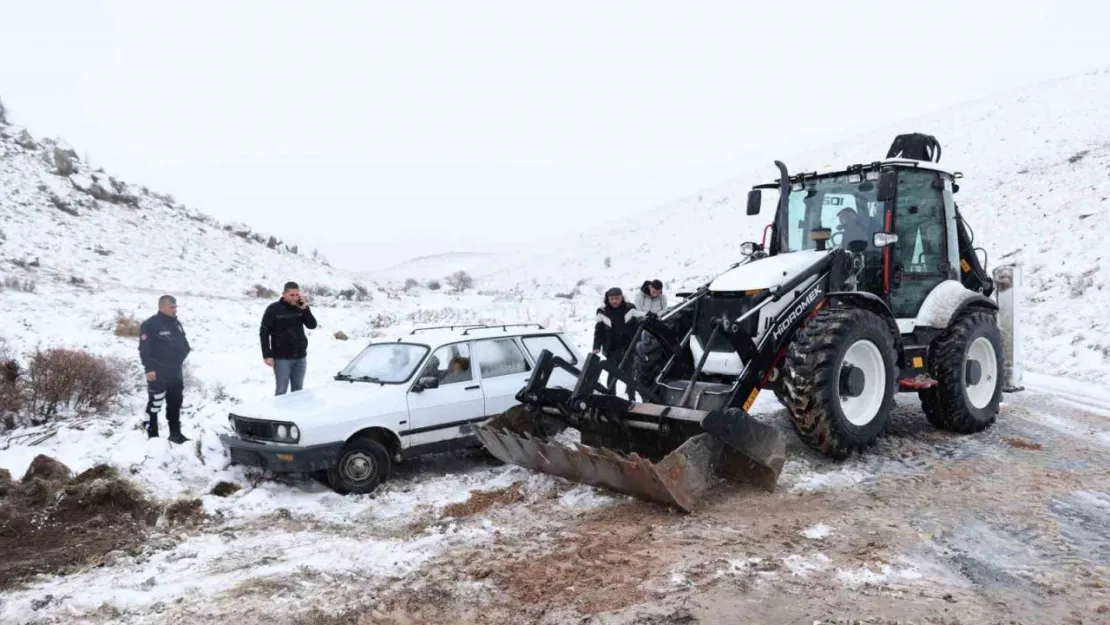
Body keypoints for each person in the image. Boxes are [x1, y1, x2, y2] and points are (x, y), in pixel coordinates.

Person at [138, 295, 191, 443]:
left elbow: (183, 344)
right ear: (162, 307)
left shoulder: (176, 323)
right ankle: (152, 436)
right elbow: (144, 349)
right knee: (155, 404)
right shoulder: (150, 324)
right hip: (158, 372)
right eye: (171, 307)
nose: (174, 310)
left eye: (175, 307)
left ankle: (175, 434)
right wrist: (149, 369)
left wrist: (180, 357)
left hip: (175, 372)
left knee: (175, 404)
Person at [260, 281, 319, 395]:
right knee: (281, 391)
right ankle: (277, 413)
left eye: (297, 294)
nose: (295, 298)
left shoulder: (300, 308)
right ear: (284, 294)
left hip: (300, 356)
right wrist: (267, 355)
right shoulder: (273, 309)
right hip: (282, 358)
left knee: (298, 392)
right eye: (292, 295)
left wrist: (305, 309)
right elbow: (264, 332)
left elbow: (312, 325)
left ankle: (296, 412)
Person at [592, 287, 639, 400]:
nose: (614, 301)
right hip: (611, 349)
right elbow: (599, 330)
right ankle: (611, 396)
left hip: (628, 347)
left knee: (630, 373)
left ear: (621, 297)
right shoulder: (602, 311)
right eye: (612, 299)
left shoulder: (630, 308)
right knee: (612, 373)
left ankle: (631, 396)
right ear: (607, 299)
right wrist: (596, 345)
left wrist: (637, 343)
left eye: (617, 298)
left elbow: (637, 327)